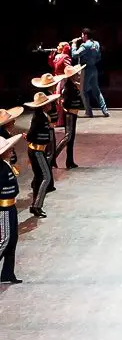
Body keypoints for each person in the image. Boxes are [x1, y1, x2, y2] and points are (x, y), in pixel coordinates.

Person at [24, 92, 60, 218]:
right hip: (37, 151)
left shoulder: (43, 116)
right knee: (46, 176)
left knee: (40, 177)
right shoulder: (38, 118)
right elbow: (31, 134)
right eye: (47, 103)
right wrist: (28, 137)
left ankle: (36, 205)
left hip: (40, 150)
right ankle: (37, 205)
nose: (50, 105)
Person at [0, 133, 23, 284]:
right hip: (4, 209)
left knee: (13, 239)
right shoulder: (0, 168)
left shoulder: (6, 164)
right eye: (9, 148)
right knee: (5, 240)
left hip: (11, 206)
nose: (12, 150)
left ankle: (8, 273)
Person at [71, 28, 109, 118]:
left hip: (86, 69)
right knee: (96, 90)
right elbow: (99, 57)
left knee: (83, 91)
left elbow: (74, 55)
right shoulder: (96, 44)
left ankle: (89, 112)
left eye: (82, 35)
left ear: (85, 35)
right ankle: (105, 110)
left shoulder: (85, 45)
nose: (81, 37)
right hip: (94, 68)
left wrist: (73, 45)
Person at [54, 64, 85, 169]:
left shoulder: (73, 85)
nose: (78, 76)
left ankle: (70, 161)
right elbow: (66, 102)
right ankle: (53, 157)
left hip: (73, 114)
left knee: (71, 139)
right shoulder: (68, 87)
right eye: (77, 74)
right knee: (68, 138)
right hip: (70, 115)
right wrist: (68, 109)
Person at [31, 72, 61, 178]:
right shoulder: (45, 97)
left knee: (50, 152)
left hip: (50, 126)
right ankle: (45, 176)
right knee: (49, 152)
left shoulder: (49, 94)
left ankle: (47, 175)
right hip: (47, 127)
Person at [48, 42, 72, 127]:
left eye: (59, 46)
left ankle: (61, 121)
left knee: (60, 100)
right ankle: (57, 120)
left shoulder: (66, 57)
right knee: (56, 101)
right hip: (56, 79)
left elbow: (69, 69)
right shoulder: (57, 56)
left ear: (63, 48)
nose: (57, 47)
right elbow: (53, 66)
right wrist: (51, 58)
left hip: (62, 79)